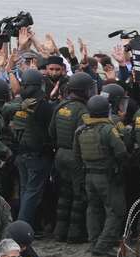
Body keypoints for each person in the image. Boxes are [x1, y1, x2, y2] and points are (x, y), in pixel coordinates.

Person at [75, 95, 129, 257]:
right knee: (116, 210)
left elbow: (76, 156)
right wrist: (121, 171)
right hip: (107, 176)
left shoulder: (81, 130)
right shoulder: (108, 129)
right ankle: (103, 245)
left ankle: (94, 242)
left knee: (93, 209)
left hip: (89, 176)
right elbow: (121, 152)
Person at [49, 71, 94, 243]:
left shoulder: (61, 107)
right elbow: (81, 136)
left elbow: (51, 132)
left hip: (60, 153)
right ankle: (74, 234)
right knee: (78, 195)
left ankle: (60, 232)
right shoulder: (83, 111)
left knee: (64, 194)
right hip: (74, 156)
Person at [5, 69, 54, 224]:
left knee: (25, 191)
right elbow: (52, 131)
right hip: (37, 155)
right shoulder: (43, 106)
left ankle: (25, 224)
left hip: (21, 154)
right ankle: (22, 225)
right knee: (32, 193)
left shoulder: (18, 104)